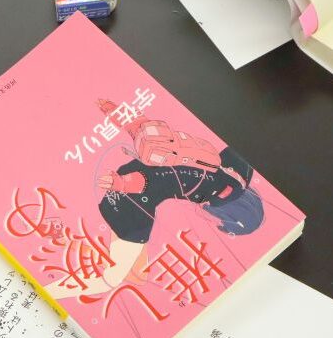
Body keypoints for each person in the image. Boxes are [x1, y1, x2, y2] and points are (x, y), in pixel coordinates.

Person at [45, 100, 264, 299]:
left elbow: (164, 150)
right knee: (110, 280)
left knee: (138, 276)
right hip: (134, 200)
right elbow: (162, 179)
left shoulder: (233, 172)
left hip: (133, 181)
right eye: (221, 223)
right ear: (230, 214)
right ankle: (45, 292)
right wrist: (124, 184)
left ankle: (68, 241)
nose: (213, 220)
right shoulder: (213, 191)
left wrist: (125, 118)